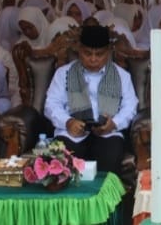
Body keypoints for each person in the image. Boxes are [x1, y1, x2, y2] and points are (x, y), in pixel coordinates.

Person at [44, 25, 138, 176]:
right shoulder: (63, 74)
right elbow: (51, 105)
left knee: (110, 158)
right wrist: (67, 122)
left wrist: (114, 123)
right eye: (88, 53)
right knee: (64, 162)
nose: (93, 59)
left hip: (108, 133)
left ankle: (103, 199)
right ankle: (71, 200)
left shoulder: (122, 76)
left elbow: (130, 106)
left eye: (99, 54)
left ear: (108, 52)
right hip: (71, 132)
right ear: (79, 50)